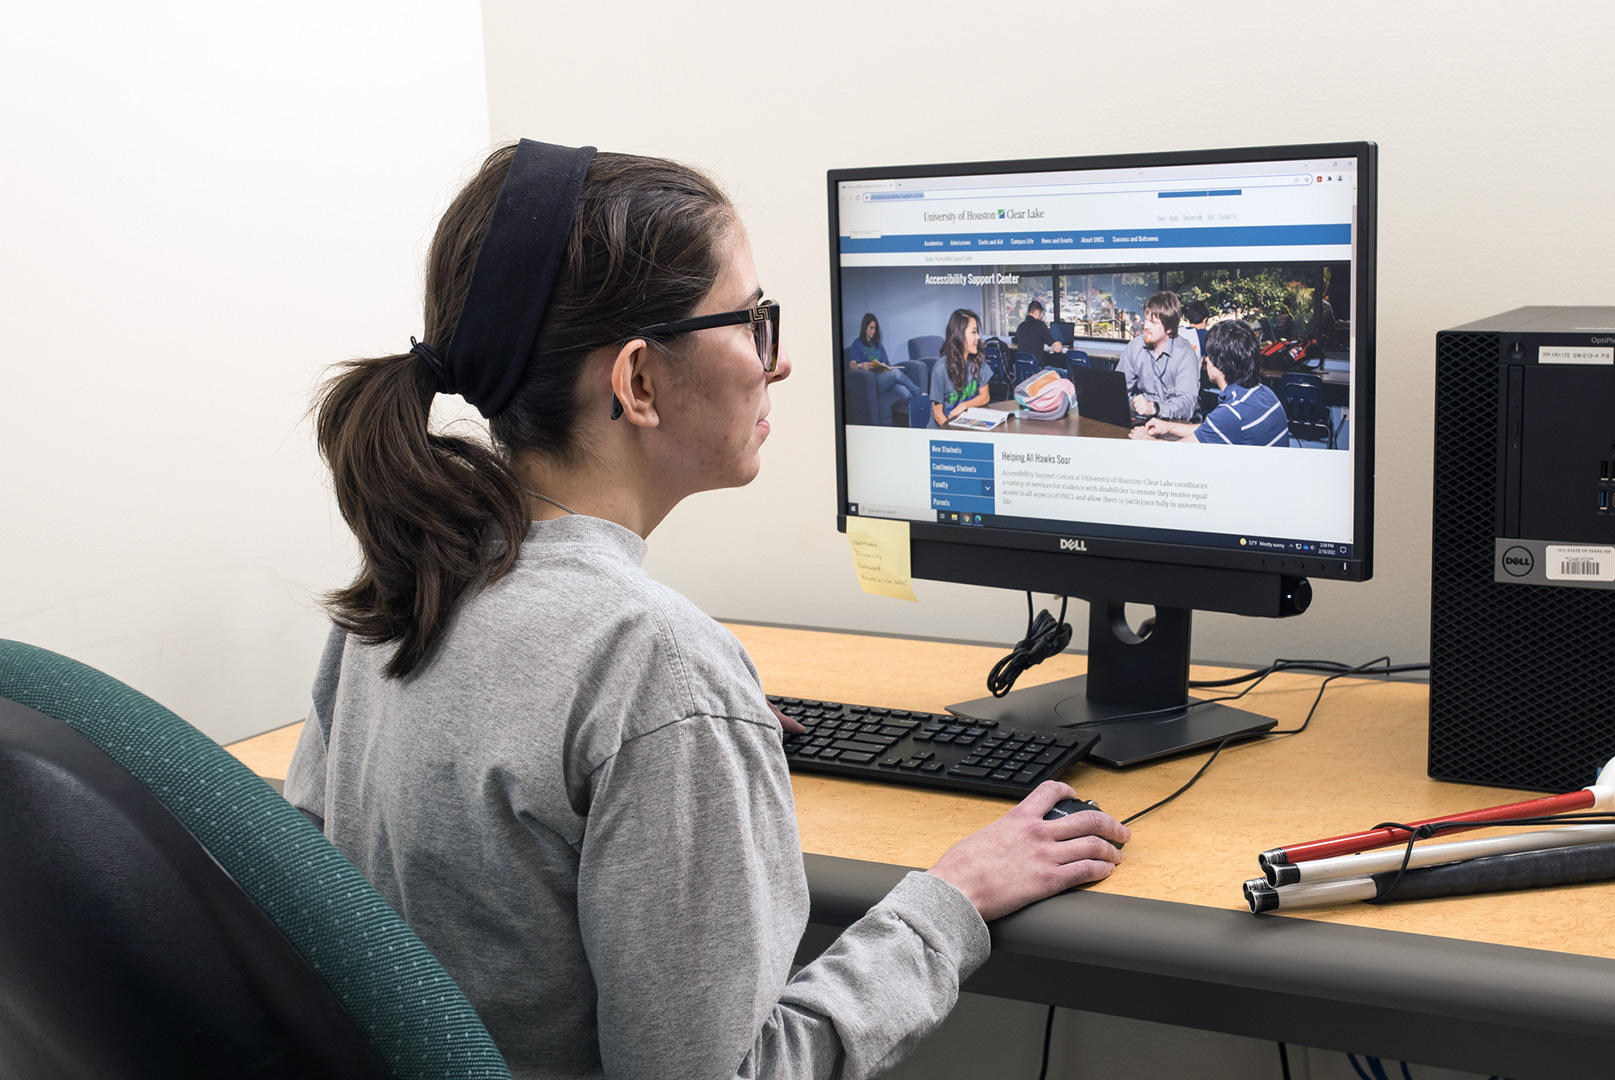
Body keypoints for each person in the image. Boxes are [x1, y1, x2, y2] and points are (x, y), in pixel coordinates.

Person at [288, 140, 1127, 1080]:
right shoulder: (651, 663)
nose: (782, 363)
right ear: (639, 381)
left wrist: (684, 746)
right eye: (754, 321)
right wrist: (949, 900)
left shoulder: (402, 589)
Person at [1132, 318, 1289, 446]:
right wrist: (1169, 427)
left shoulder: (1230, 413)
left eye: (1209, 356)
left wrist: (1145, 439)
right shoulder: (1265, 393)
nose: (1206, 360)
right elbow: (1213, 430)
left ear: (1220, 365)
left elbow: (1178, 454)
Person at [1116, 289, 1201, 421]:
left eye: (1153, 322)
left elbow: (1187, 404)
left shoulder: (1185, 354)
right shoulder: (1135, 347)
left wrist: (1155, 408)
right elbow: (1119, 390)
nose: (1146, 327)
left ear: (1170, 328)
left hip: (1178, 421)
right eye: (1146, 319)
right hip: (1144, 417)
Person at [929, 308, 990, 425]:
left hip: (965, 426)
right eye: (973, 332)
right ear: (959, 335)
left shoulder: (979, 362)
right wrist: (954, 436)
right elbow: (938, 415)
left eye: (977, 332)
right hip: (943, 431)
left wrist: (964, 405)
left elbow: (985, 397)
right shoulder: (941, 368)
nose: (978, 337)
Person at [847, 312, 916, 415]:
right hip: (873, 383)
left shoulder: (878, 345)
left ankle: (914, 418)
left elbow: (884, 363)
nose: (873, 331)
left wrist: (884, 367)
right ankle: (919, 392)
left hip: (884, 379)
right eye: (871, 328)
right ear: (864, 327)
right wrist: (861, 365)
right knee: (896, 372)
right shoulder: (857, 344)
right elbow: (851, 365)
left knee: (905, 392)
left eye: (875, 328)